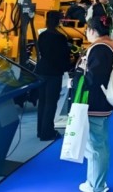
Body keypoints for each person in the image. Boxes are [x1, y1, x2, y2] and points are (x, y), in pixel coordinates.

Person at [79, 16, 113, 192]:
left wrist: (78, 78)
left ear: (92, 31)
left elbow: (94, 78)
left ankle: (96, 185)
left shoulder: (99, 48)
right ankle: (97, 182)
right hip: (103, 102)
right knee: (100, 144)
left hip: (94, 102)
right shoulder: (109, 46)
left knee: (95, 146)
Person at [36, 10, 71, 141]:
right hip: (54, 72)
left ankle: (40, 130)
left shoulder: (42, 35)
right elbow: (64, 56)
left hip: (41, 70)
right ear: (58, 21)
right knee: (51, 103)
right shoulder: (60, 37)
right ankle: (47, 132)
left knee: (42, 102)